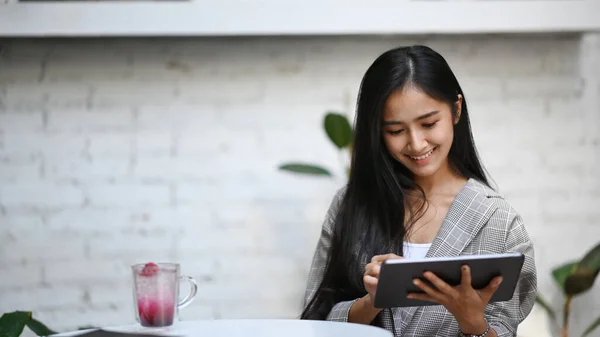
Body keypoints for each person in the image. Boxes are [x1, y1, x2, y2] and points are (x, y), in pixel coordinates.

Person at [300, 45, 537, 337]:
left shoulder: (499, 222)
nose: (416, 144)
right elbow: (314, 323)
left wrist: (472, 322)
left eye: (428, 123)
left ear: (456, 109)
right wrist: (371, 301)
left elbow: (503, 328)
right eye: (396, 131)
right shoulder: (351, 205)